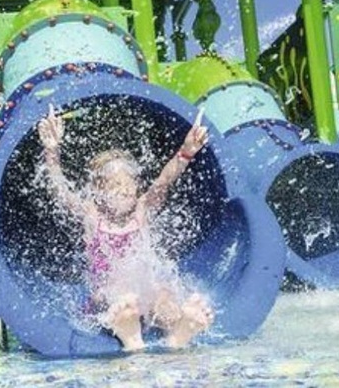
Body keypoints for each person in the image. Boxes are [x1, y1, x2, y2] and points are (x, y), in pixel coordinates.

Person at [37, 105, 215, 351]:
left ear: (137, 185)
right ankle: (129, 331)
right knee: (118, 295)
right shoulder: (92, 215)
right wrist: (51, 150)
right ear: (97, 191)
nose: (122, 191)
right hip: (108, 292)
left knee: (163, 293)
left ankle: (180, 331)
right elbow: (60, 191)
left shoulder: (142, 210)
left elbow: (164, 180)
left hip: (145, 289)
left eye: (128, 184)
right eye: (112, 185)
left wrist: (186, 152)